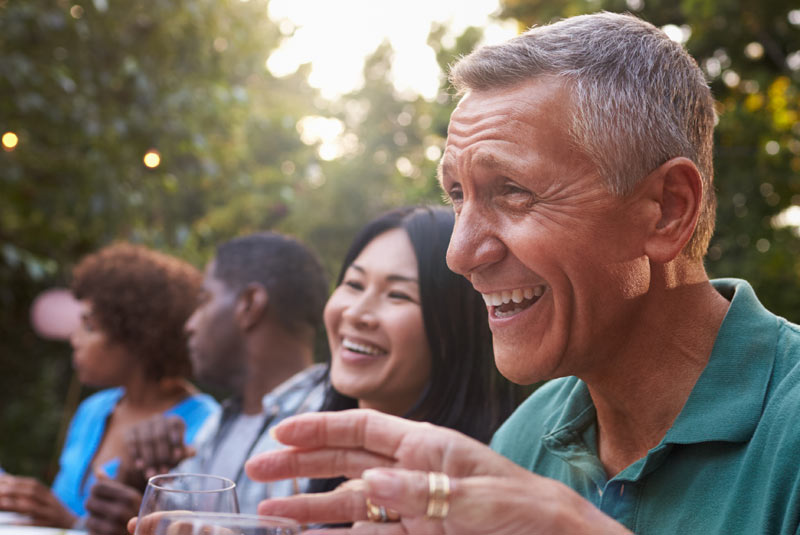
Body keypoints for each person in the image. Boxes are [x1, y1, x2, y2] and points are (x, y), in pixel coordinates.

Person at [242, 12, 800, 535]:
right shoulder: (528, 434)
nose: (459, 254)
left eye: (513, 191)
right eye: (457, 195)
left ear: (667, 209)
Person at [84, 232, 329, 535]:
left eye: (203, 301)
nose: (190, 325)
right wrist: (138, 501)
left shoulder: (328, 421)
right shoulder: (217, 426)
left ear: (249, 305)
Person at [307, 206, 524, 499]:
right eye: (354, 284)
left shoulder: (489, 490)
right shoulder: (306, 450)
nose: (357, 313)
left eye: (397, 294)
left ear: (458, 328)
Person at [0, 243, 219, 529]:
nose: (74, 338)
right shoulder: (94, 409)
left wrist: (69, 523)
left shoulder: (204, 426)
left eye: (90, 326)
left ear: (138, 336)